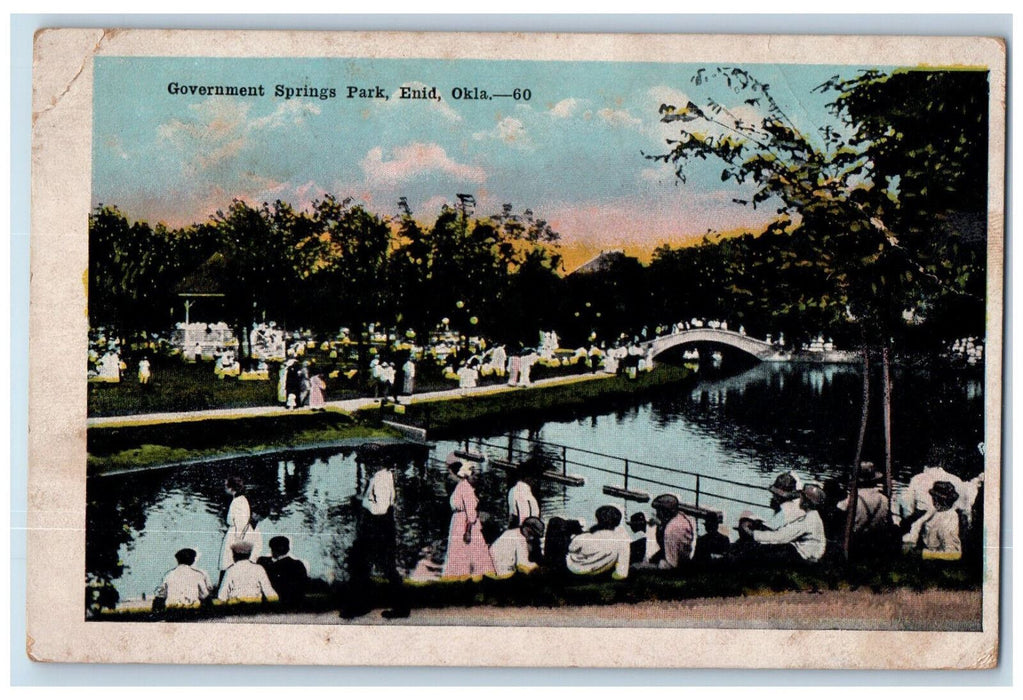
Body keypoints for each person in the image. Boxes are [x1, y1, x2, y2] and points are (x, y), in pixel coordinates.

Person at [342, 444, 409, 619]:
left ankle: (367, 605)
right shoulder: (383, 476)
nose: (364, 465)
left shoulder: (380, 480)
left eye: (366, 461)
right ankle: (366, 604)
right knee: (368, 566)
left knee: (371, 566)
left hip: (378, 528)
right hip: (380, 528)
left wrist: (361, 501)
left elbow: (380, 508)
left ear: (373, 461)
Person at [737, 484, 827, 565]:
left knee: (761, 551)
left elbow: (781, 536)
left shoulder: (808, 520)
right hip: (806, 552)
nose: (800, 499)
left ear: (807, 501)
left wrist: (753, 534)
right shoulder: (813, 517)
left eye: (802, 496)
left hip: (803, 555)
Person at [442, 454, 496, 580]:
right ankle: (462, 576)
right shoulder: (464, 487)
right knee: (463, 552)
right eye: (474, 475)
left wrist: (468, 531)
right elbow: (470, 511)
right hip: (460, 522)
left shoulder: (464, 487)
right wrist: (467, 530)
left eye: (477, 475)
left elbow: (471, 513)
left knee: (467, 551)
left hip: (463, 523)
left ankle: (464, 576)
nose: (476, 478)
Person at [836, 462, 897, 554]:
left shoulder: (852, 499)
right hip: (876, 542)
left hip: (857, 542)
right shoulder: (884, 499)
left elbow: (838, 509)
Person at [566, 505, 632, 580]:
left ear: (598, 520)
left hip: (576, 569)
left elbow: (571, 548)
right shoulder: (621, 540)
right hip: (602, 569)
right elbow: (622, 573)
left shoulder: (587, 537)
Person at [218, 476, 261, 580]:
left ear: (231, 488)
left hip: (235, 534)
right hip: (236, 532)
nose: (224, 488)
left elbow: (240, 522)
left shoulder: (238, 501)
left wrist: (238, 540)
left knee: (228, 560)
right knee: (228, 560)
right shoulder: (239, 500)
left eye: (226, 486)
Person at [917, 481, 965, 561]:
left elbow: (954, 554)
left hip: (939, 563)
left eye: (934, 497)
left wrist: (924, 554)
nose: (932, 500)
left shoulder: (949, 519)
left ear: (938, 500)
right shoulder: (937, 512)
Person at [257, 536, 308, 607]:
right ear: (288, 549)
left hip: (271, 604)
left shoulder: (263, 562)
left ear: (272, 549)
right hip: (290, 605)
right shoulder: (297, 565)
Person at [650, 494, 696, 570]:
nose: (657, 514)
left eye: (659, 511)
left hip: (672, 566)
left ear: (665, 512)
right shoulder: (681, 518)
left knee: (635, 567)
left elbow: (671, 564)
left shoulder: (671, 530)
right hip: (681, 559)